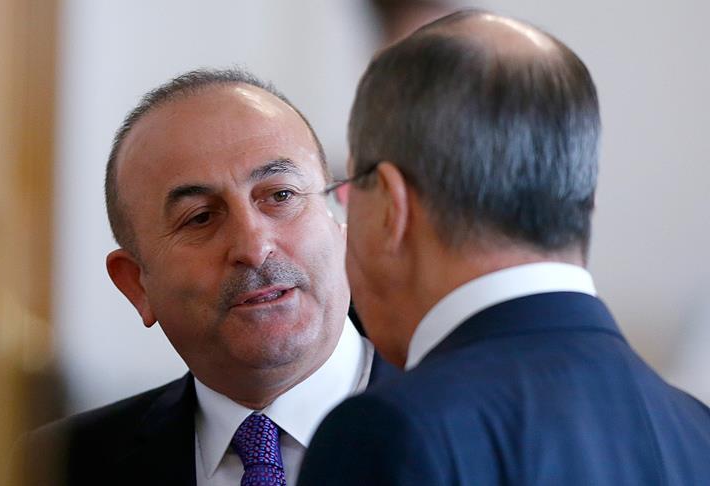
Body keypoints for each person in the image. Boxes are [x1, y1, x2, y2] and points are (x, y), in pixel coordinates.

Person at [299, 10, 710, 485]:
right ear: (585, 198)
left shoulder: (386, 434)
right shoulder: (696, 431)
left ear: (393, 206)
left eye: (349, 193)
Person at [23, 69, 397, 486]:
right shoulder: (47, 468)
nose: (253, 247)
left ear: (343, 222)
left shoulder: (454, 424)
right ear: (137, 284)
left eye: (280, 196)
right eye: (200, 218)